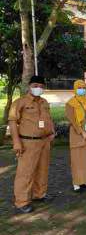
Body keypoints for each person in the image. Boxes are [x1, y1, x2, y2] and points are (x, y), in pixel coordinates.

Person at [8, 76, 55, 214]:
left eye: (41, 85)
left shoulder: (45, 102)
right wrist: (16, 142)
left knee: (42, 170)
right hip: (28, 142)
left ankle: (39, 194)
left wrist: (52, 132)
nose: (38, 88)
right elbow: (12, 122)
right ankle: (21, 202)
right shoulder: (20, 102)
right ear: (29, 86)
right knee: (25, 172)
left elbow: (49, 118)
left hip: (44, 141)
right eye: (35, 85)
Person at [65, 80, 86, 193]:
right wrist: (82, 132)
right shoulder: (70, 103)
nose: (82, 89)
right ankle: (77, 182)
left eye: (83, 87)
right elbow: (71, 119)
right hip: (77, 135)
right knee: (77, 159)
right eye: (79, 87)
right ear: (75, 88)